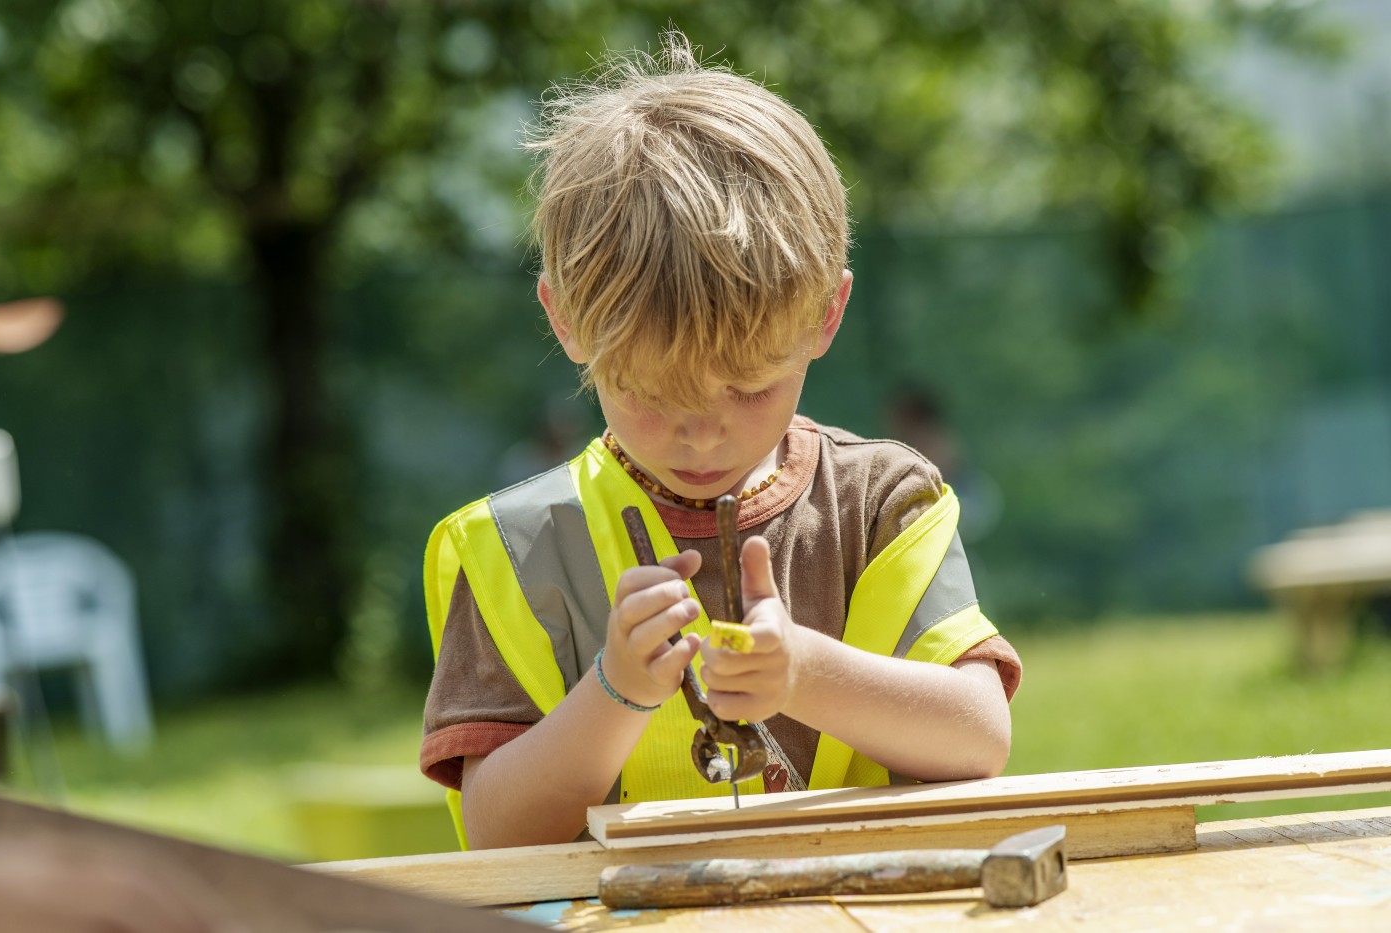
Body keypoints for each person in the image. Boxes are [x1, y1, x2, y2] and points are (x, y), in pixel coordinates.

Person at [419, 31, 1022, 851]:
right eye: (649, 391)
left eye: (747, 386)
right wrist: (615, 691)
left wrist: (802, 671)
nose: (700, 431)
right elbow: (496, 835)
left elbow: (978, 737)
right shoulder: (512, 550)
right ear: (564, 320)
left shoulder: (883, 502)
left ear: (826, 315)